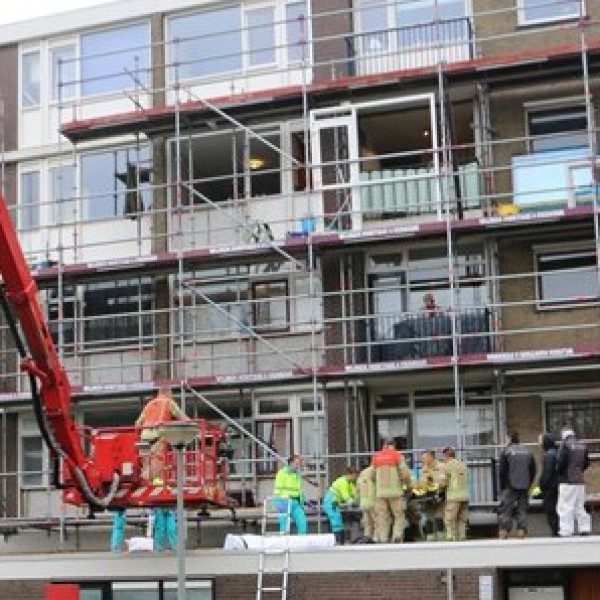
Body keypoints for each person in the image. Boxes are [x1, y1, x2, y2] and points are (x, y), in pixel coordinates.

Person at [135, 388, 190, 482]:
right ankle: (152, 481)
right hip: (158, 435)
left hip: (144, 437)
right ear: (168, 393)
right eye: (172, 393)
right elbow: (183, 418)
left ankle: (147, 483)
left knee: (146, 463)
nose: (172, 396)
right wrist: (193, 425)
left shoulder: (149, 404)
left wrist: (139, 436)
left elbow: (137, 423)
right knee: (158, 462)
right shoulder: (169, 402)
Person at [372, 439, 412, 543]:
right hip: (395, 492)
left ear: (384, 445)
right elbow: (405, 474)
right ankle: (397, 536)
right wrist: (407, 485)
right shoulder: (397, 455)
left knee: (382, 516)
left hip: (380, 493)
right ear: (394, 445)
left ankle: (383, 538)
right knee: (399, 515)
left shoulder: (376, 457)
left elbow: (372, 475)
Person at [497, 431, 536, 539]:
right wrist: (529, 482)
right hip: (525, 485)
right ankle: (521, 531)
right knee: (522, 509)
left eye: (505, 439)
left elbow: (502, 471)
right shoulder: (528, 451)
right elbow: (533, 470)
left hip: (510, 486)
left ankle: (504, 531)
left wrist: (502, 486)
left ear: (509, 439)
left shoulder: (506, 451)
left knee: (506, 509)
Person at [556, 427, 591, 537]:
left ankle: (566, 530)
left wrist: (559, 473)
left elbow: (561, 463)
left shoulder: (565, 445)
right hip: (579, 481)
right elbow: (586, 463)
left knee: (565, 506)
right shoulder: (582, 445)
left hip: (567, 481)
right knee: (579, 506)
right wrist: (579, 471)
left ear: (563, 435)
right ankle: (584, 528)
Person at [273, 454, 308, 535]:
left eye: (299, 464)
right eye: (297, 463)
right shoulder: (282, 473)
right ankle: (284, 544)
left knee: (302, 523)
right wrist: (279, 502)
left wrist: (302, 501)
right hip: (284, 501)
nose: (298, 466)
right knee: (284, 525)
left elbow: (298, 490)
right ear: (291, 463)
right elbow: (278, 489)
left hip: (296, 502)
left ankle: (302, 544)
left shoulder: (297, 474)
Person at [440, 447, 469, 541]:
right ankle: (462, 536)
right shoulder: (462, 464)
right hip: (464, 496)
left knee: (450, 519)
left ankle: (451, 537)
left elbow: (444, 482)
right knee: (461, 519)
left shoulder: (447, 465)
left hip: (453, 496)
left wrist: (439, 487)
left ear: (446, 455)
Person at [323, 466, 359, 545]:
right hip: (330, 502)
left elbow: (355, 494)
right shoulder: (343, 481)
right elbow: (346, 496)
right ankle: (338, 541)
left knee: (338, 520)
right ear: (350, 474)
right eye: (355, 476)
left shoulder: (350, 483)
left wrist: (357, 500)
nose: (356, 478)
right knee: (336, 520)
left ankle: (341, 541)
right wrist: (352, 502)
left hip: (335, 503)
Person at [417, 449, 445, 541]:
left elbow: (443, 481)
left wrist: (435, 487)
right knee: (429, 516)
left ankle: (441, 537)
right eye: (423, 458)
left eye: (425, 457)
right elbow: (421, 481)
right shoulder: (424, 468)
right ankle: (430, 537)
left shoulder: (441, 466)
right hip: (427, 496)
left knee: (439, 515)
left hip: (439, 494)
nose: (423, 460)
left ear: (431, 457)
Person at [538, 432, 559, 537]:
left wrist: (541, 485)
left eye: (540, 440)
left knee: (551, 508)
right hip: (556, 485)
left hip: (550, 486)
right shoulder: (555, 452)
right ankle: (557, 530)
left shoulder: (549, 455)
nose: (539, 443)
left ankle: (555, 531)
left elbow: (548, 472)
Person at [356, 462, 376, 542]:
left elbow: (357, 492)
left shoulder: (359, 478)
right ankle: (375, 539)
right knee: (376, 523)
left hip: (363, 503)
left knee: (367, 524)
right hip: (373, 502)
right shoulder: (372, 476)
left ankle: (366, 539)